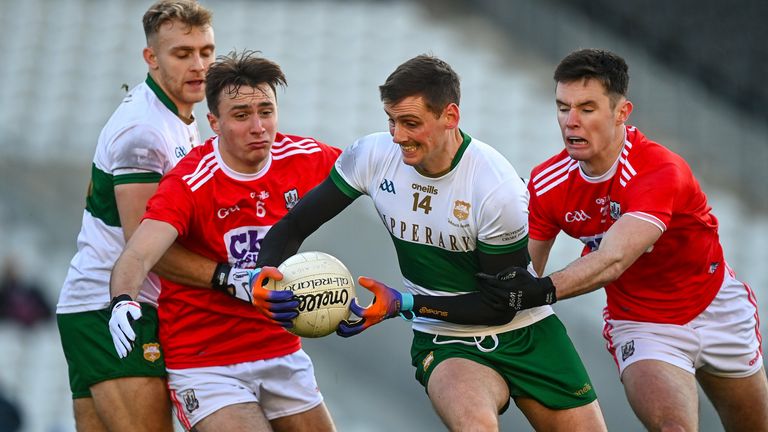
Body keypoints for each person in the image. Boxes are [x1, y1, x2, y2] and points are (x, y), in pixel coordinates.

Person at [255, 54, 606, 431]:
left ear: (450, 117)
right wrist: (264, 275)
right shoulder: (372, 155)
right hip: (446, 340)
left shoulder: (496, 188)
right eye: (391, 121)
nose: (397, 136)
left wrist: (404, 303)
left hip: (526, 332)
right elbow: (292, 227)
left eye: (410, 123)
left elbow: (500, 306)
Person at [476, 48, 768, 431]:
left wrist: (539, 290)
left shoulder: (660, 170)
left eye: (587, 108)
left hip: (716, 308)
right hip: (642, 325)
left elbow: (613, 259)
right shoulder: (547, 183)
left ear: (621, 112)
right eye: (563, 108)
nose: (571, 122)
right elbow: (520, 274)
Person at [108, 50, 339, 431]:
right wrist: (121, 300)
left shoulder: (304, 157)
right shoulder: (190, 182)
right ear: (214, 122)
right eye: (241, 115)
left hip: (281, 350)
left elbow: (374, 171)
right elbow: (138, 254)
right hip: (205, 360)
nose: (258, 126)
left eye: (266, 111)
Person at [56, 1, 215, 430]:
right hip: (114, 309)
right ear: (151, 58)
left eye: (206, 51)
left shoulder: (176, 116)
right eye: (182, 54)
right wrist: (229, 279)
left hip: (105, 308)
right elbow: (147, 251)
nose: (199, 64)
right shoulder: (143, 131)